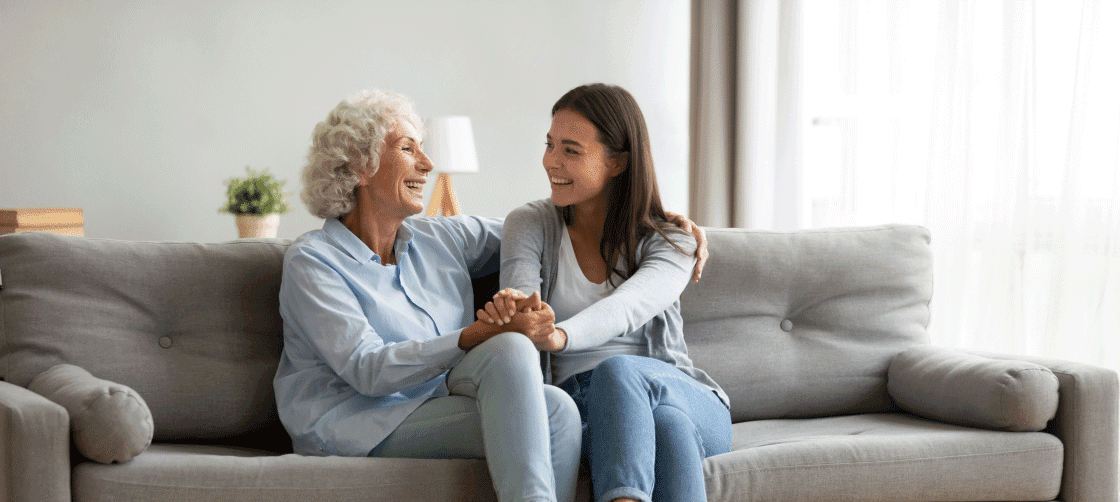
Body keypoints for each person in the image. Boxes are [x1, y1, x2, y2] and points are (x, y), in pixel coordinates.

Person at [273, 89, 582, 502]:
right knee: (522, 370)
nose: (428, 163)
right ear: (360, 166)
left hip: (434, 402)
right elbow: (367, 370)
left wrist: (651, 221)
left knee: (558, 408)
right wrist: (475, 335)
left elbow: (533, 226)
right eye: (408, 148)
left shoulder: (440, 237)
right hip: (355, 422)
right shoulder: (312, 262)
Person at [481, 83, 731, 502]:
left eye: (571, 150)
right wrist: (521, 314)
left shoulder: (674, 241)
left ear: (617, 161)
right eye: (550, 145)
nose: (550, 161)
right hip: (585, 408)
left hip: (682, 393)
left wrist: (559, 335)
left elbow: (629, 307)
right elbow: (522, 305)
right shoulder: (529, 224)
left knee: (621, 372)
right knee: (668, 428)